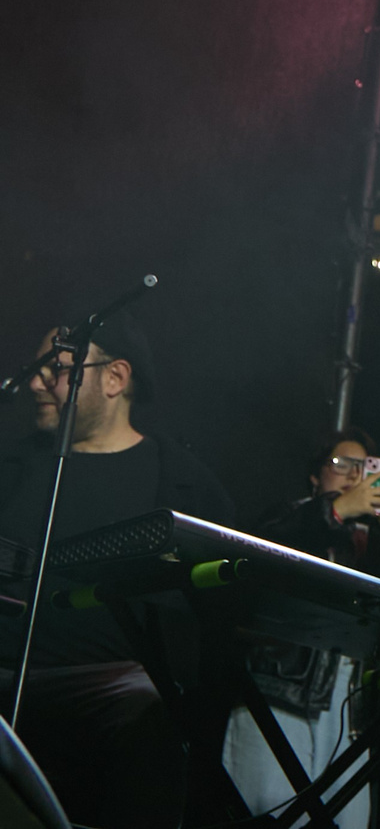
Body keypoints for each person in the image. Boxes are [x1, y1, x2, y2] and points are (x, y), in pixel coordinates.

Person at [0, 315, 236, 829]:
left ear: (115, 377)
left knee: (148, 707)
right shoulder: (11, 468)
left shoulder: (186, 488)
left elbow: (220, 622)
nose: (37, 383)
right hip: (5, 685)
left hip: (114, 697)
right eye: (37, 369)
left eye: (57, 368)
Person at [220, 428, 380, 828]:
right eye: (341, 464)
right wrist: (336, 510)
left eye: (364, 468)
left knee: (350, 819)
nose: (353, 475)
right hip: (280, 691)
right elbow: (258, 553)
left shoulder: (373, 542)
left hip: (348, 705)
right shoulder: (290, 516)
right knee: (268, 810)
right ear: (315, 476)